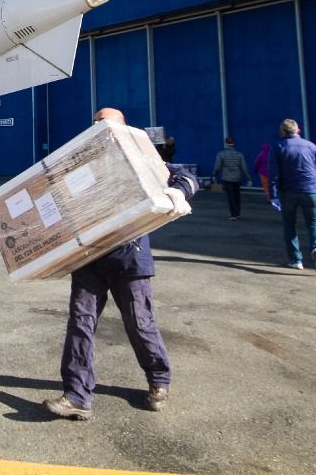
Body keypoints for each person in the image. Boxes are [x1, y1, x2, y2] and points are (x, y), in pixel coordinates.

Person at [43, 108, 197, 421]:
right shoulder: (81, 162)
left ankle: (158, 381)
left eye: (106, 123)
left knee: (140, 323)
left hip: (129, 256)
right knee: (80, 323)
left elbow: (185, 175)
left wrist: (178, 192)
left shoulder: (139, 157)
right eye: (96, 123)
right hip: (90, 257)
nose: (99, 127)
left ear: (122, 128)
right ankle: (76, 395)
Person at [269, 119, 316, 274]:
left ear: (282, 132)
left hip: (288, 191)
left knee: (290, 225)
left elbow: (274, 174)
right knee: (314, 224)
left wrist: (274, 195)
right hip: (311, 190)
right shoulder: (311, 146)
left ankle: (296, 260)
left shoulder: (278, 147)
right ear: (298, 130)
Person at [211, 136, 252, 220]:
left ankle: (233, 214)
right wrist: (249, 178)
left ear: (225, 143)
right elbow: (244, 168)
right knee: (237, 196)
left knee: (231, 197)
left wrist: (214, 175)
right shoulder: (239, 154)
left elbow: (217, 167)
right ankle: (238, 213)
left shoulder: (221, 154)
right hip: (237, 178)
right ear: (234, 143)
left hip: (227, 178)